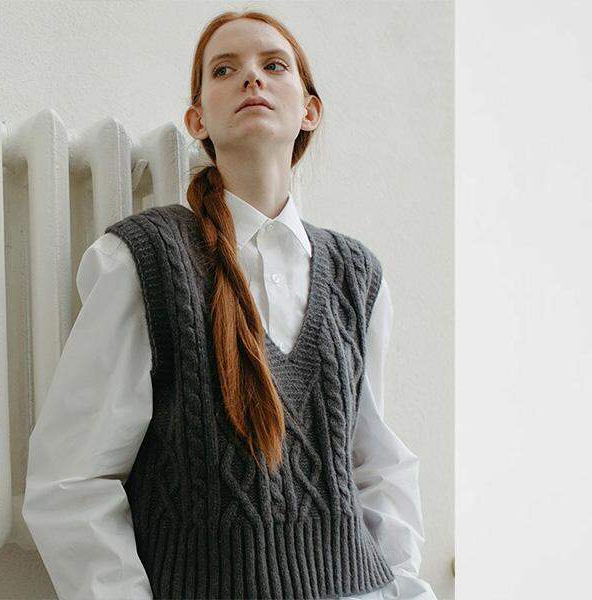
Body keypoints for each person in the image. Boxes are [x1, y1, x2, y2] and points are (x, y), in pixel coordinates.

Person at [23, 10, 437, 600]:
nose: (252, 79)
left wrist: (405, 588)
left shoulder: (357, 275)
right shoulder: (142, 260)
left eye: (274, 65)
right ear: (198, 120)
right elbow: (72, 478)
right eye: (224, 69)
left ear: (309, 110)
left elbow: (377, 464)